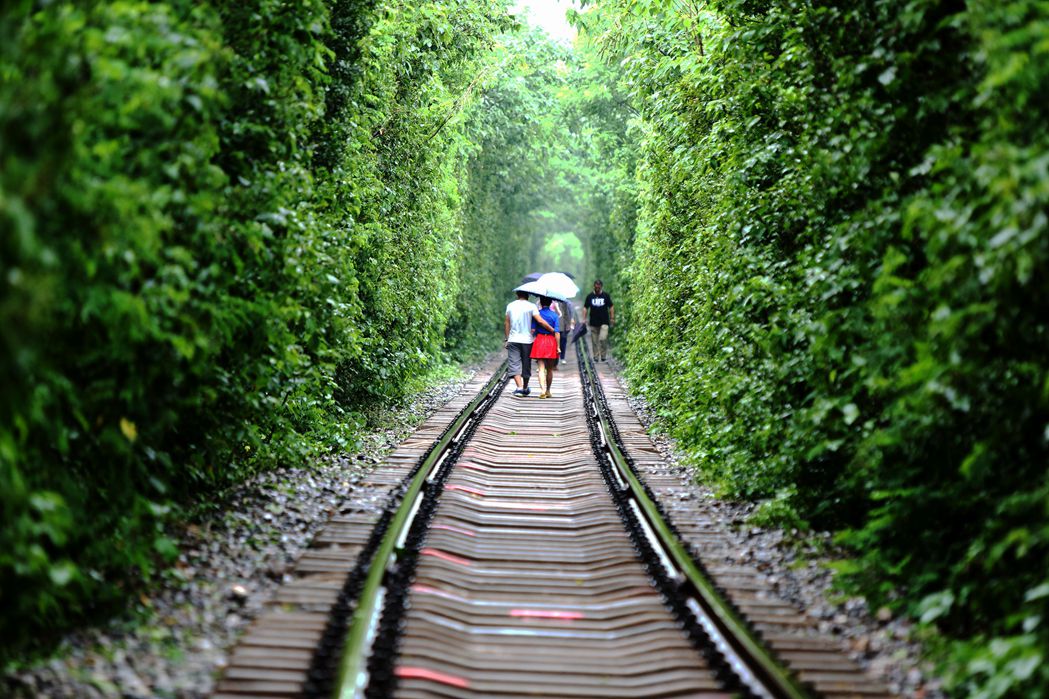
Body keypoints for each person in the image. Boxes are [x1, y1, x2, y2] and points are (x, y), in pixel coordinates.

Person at [505, 290, 555, 397]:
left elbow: (507, 322)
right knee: (526, 364)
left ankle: (519, 387)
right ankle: (524, 387)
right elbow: (540, 321)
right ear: (527, 295)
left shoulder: (510, 305)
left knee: (514, 364)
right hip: (527, 340)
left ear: (517, 295)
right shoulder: (532, 306)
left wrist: (507, 339)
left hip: (513, 339)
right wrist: (552, 329)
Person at [530, 296, 561, 398]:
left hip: (539, 341)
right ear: (551, 302)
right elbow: (557, 332)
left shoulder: (537, 314)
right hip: (551, 342)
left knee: (541, 368)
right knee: (550, 369)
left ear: (541, 303)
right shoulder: (555, 316)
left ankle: (542, 390)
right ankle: (548, 390)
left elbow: (533, 330)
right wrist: (558, 347)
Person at [582, 279, 614, 362]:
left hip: (604, 322)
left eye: (599, 287)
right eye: (596, 286)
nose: (597, 288)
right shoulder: (590, 296)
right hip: (593, 322)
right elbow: (585, 307)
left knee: (603, 339)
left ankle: (603, 356)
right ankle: (596, 357)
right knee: (594, 341)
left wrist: (612, 318)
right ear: (594, 286)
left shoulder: (606, 296)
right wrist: (584, 319)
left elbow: (611, 306)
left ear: (601, 287)